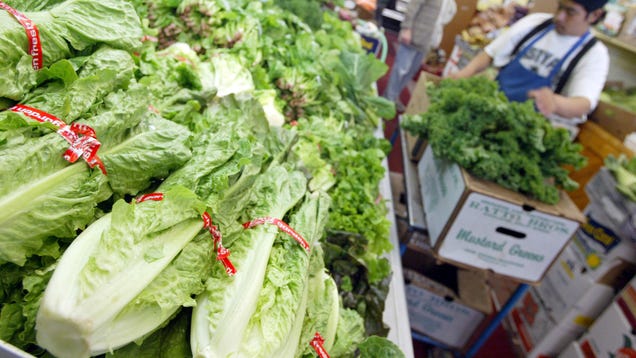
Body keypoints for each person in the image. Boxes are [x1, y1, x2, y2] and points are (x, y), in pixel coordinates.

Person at [449, 0, 610, 139]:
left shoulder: (594, 54)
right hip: (490, 109)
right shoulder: (535, 23)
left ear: (594, 15)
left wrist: (555, 102)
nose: (559, 16)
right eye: (560, 7)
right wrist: (463, 74)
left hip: (528, 132)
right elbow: (490, 53)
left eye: (570, 12)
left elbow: (583, 103)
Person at [383, 0, 454, 111]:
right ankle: (387, 99)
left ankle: (394, 96)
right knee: (401, 69)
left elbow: (443, 18)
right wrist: (406, 28)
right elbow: (412, 7)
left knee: (411, 72)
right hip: (414, 35)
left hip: (426, 41)